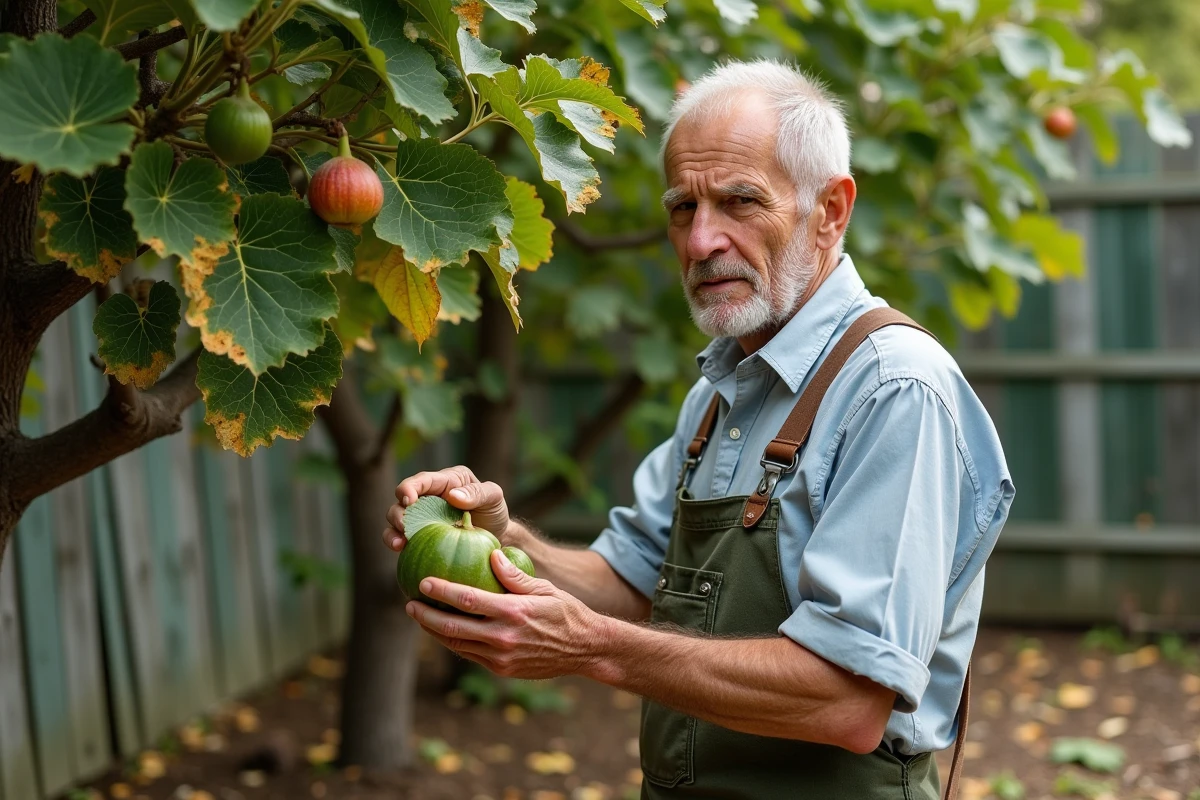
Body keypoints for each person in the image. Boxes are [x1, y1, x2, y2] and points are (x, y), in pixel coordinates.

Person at [382, 59, 1015, 799]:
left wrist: (595, 651)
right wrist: (497, 539)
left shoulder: (894, 390)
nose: (702, 239)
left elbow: (847, 699)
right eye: (683, 208)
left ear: (831, 210)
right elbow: (632, 579)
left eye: (739, 201)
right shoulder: (722, 392)